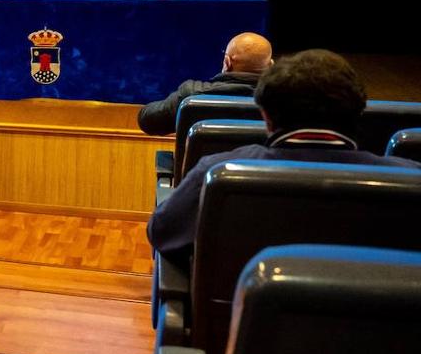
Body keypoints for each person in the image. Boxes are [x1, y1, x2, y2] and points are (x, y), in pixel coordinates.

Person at [147, 49, 421, 265]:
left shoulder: (218, 171)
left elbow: (162, 233)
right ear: (359, 113)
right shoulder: (412, 180)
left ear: (265, 116)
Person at [137, 32, 274, 136]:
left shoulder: (192, 94)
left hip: (200, 167)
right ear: (270, 65)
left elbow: (148, 121)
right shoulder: (281, 102)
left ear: (227, 62)